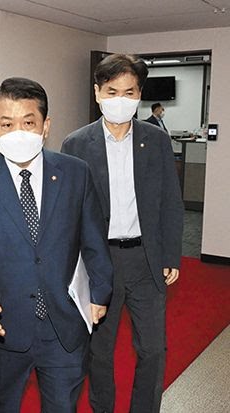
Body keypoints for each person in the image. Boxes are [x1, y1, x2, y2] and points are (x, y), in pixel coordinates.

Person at [0, 77, 113, 413]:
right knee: (2, 404)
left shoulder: (75, 173)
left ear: (45, 126)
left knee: (63, 406)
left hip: (64, 322)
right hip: (3, 325)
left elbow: (93, 238)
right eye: (6, 124)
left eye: (28, 122)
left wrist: (100, 292)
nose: (18, 132)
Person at [62, 54, 183, 413]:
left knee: (153, 349)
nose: (120, 99)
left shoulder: (156, 140)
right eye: (111, 91)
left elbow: (170, 201)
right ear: (97, 93)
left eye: (129, 92)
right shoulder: (76, 144)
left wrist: (171, 254)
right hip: (100, 261)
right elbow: (69, 213)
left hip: (146, 259)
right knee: (99, 350)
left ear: (139, 94)